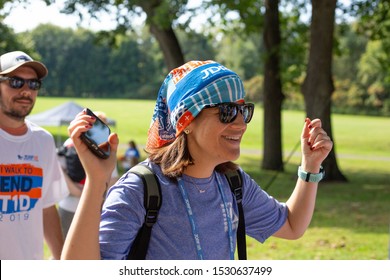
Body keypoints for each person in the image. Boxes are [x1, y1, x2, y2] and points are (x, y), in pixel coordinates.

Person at [61, 60, 333, 260]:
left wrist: (310, 166)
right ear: (186, 120)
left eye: (243, 111)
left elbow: (291, 225)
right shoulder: (139, 190)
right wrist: (97, 180)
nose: (241, 124)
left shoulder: (233, 183)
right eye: (227, 112)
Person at [0, 50, 69, 259]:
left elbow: (46, 207)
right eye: (15, 82)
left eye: (33, 84)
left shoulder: (44, 141)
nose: (25, 91)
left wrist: (61, 261)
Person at [57, 111, 119, 239]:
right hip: (93, 206)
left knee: (66, 247)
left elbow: (61, 171)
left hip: (69, 203)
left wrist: (79, 192)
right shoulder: (105, 148)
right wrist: (94, 193)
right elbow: (112, 180)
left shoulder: (70, 142)